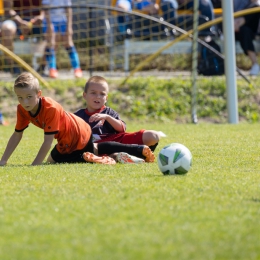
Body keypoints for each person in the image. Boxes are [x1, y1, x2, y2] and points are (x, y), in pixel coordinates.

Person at [0, 72, 155, 166]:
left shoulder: (50, 108)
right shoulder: (22, 109)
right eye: (20, 98)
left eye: (29, 97)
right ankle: (137, 150)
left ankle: (100, 158)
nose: (25, 102)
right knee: (90, 150)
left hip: (76, 132)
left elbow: (47, 141)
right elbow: (17, 134)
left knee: (63, 159)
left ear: (39, 94)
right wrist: (3, 160)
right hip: (77, 132)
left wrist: (34, 166)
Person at [74, 75, 161, 153]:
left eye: (102, 94)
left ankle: (126, 154)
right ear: (84, 95)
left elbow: (122, 129)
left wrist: (107, 117)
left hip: (113, 141)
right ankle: (134, 153)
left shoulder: (109, 113)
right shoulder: (77, 116)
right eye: (93, 93)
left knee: (153, 136)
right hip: (91, 145)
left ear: (106, 98)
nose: (98, 96)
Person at [1, 0, 44, 75]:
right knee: (7, 29)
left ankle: (43, 67)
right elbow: (8, 9)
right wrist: (21, 23)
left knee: (51, 31)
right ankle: (13, 68)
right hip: (16, 21)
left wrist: (41, 17)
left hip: (37, 22)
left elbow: (45, 7)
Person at [42, 0, 82, 79]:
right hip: (50, 21)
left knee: (68, 42)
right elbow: (45, 9)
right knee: (52, 43)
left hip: (63, 21)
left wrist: (69, 26)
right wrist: (49, 25)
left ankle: (77, 69)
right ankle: (52, 69)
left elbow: (68, 9)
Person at [233, 0, 260, 76]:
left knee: (245, 31)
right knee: (244, 31)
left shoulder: (256, 5)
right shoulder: (240, 2)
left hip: (248, 32)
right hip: (236, 31)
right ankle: (255, 64)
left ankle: (255, 65)